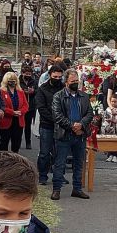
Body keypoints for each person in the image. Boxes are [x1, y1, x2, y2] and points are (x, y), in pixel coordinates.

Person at [50, 69, 93, 201]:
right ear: (66, 82)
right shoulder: (58, 96)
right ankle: (56, 189)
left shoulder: (84, 96)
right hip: (64, 135)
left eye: (77, 80)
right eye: (72, 81)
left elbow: (89, 114)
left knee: (79, 163)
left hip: (80, 134)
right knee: (60, 163)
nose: (75, 83)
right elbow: (57, 115)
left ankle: (77, 189)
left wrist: (81, 125)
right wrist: (72, 126)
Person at [35, 65, 64, 186]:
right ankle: (42, 176)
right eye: (55, 77)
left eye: (59, 77)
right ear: (50, 75)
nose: (57, 79)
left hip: (61, 125)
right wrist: (55, 119)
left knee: (60, 152)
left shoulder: (63, 88)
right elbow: (41, 108)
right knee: (44, 152)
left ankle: (59, 175)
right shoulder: (42, 89)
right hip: (47, 124)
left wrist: (62, 120)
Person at [0, 71, 29, 154]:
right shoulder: (1, 92)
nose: (12, 82)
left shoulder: (20, 92)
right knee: (4, 143)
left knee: (16, 143)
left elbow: (26, 105)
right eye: (10, 80)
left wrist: (20, 112)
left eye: (14, 80)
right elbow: (1, 106)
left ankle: (15, 159)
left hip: (18, 121)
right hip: (6, 120)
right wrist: (12, 112)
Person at [101, 93, 117, 162]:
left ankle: (115, 155)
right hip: (109, 128)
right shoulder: (108, 109)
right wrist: (108, 121)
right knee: (110, 141)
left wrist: (116, 121)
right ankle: (109, 155)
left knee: (116, 142)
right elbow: (104, 118)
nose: (113, 103)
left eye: (115, 101)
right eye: (112, 101)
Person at [20, 66, 39, 150]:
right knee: (19, 126)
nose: (28, 75)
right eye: (26, 74)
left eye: (29, 74)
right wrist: (23, 91)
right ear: (22, 73)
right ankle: (18, 141)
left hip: (30, 106)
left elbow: (38, 91)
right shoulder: (18, 81)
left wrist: (33, 91)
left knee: (28, 126)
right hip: (20, 106)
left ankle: (28, 142)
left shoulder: (34, 81)